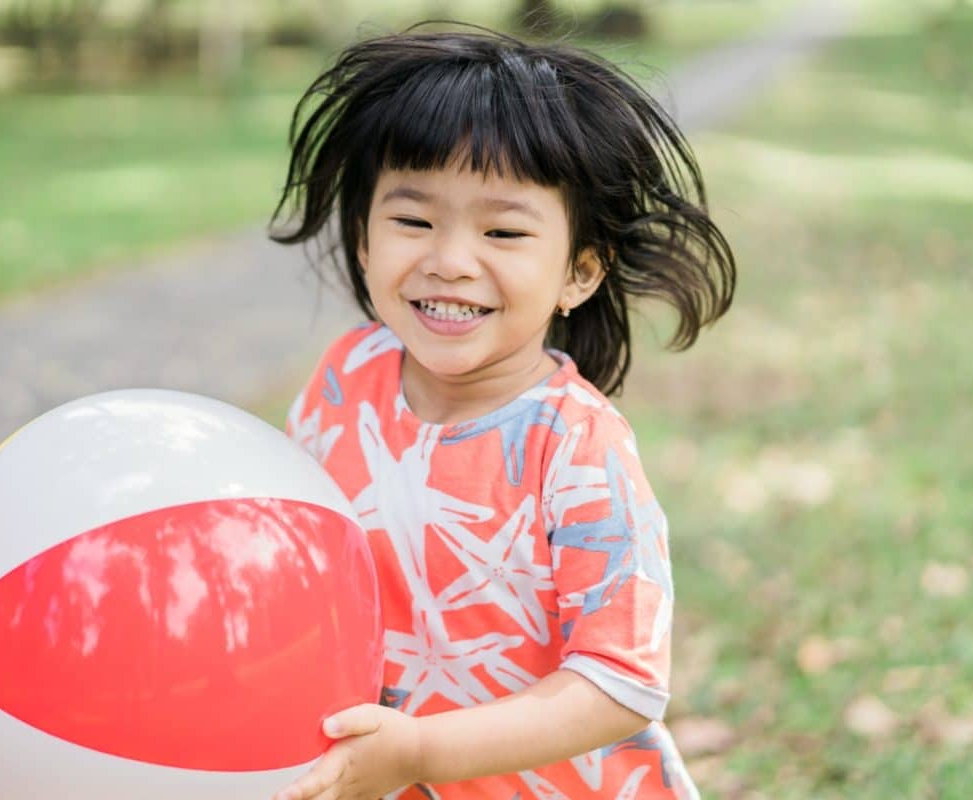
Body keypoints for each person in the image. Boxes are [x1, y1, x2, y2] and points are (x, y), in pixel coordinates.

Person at [270, 22, 735, 800]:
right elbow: (284, 558)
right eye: (413, 220)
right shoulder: (344, 377)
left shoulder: (576, 447)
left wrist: (419, 748)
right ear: (361, 238)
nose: (450, 260)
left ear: (579, 272)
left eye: (503, 230)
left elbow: (620, 682)